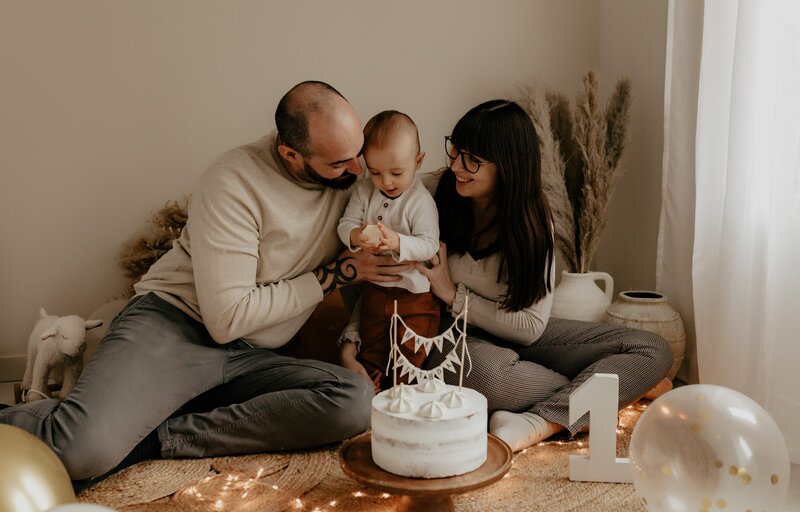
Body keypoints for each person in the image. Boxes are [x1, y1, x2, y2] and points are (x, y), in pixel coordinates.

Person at [0, 81, 407, 483]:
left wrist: (353, 344)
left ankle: (152, 438)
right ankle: (28, 421)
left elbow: (407, 199)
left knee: (352, 402)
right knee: (80, 454)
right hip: (175, 328)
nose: (358, 171)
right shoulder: (233, 180)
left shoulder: (355, 180)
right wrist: (337, 275)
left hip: (250, 356)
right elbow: (226, 319)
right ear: (291, 154)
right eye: (340, 163)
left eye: (357, 154)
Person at [345, 99, 672, 452]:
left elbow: (530, 328)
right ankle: (594, 393)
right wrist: (352, 341)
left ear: (508, 165)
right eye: (455, 151)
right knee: (479, 372)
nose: (457, 166)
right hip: (451, 339)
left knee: (649, 348)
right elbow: (381, 275)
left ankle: (540, 420)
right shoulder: (426, 192)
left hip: (519, 334)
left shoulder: (532, 223)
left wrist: (451, 294)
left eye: (472, 159)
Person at [337, 111, 440, 391]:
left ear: (418, 161)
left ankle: (403, 396)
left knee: (410, 355)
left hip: (414, 298)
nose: (387, 182)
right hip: (374, 293)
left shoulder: (419, 201)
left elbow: (429, 244)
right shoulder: (363, 192)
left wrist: (397, 243)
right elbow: (345, 224)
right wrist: (356, 235)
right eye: (376, 172)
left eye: (396, 173)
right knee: (372, 350)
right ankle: (373, 394)